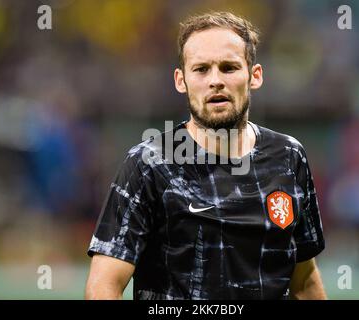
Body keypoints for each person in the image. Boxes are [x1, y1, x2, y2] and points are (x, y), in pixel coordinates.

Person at [85, 12, 326, 300]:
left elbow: (304, 280)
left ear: (255, 75)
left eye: (228, 67)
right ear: (181, 80)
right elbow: (104, 285)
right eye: (201, 69)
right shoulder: (149, 164)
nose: (215, 81)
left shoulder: (288, 156)